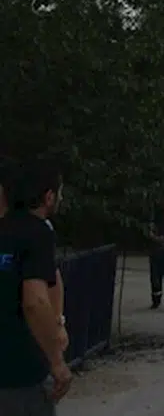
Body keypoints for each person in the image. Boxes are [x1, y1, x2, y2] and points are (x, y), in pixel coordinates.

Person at [0, 162, 74, 415]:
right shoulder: (37, 233)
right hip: (20, 372)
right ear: (49, 196)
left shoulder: (4, 228)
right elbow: (35, 301)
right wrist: (57, 361)